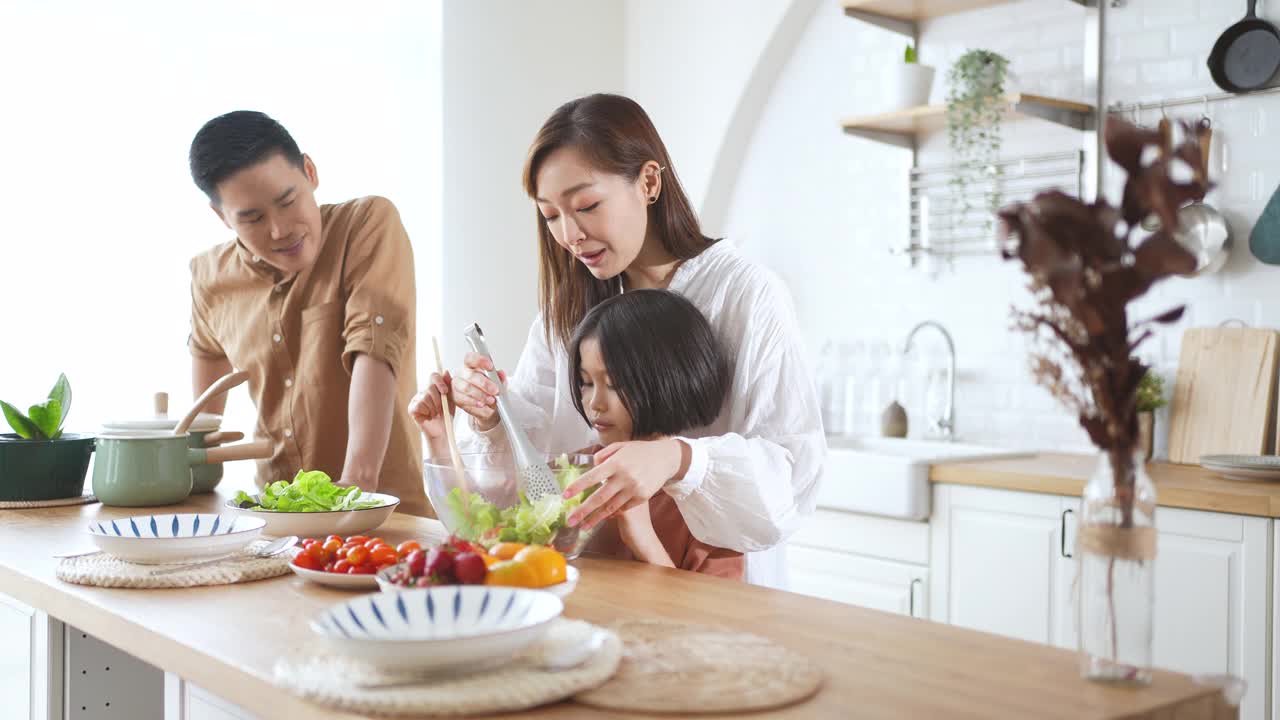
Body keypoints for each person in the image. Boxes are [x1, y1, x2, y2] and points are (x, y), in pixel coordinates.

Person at [422, 93, 825, 586]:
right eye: (550, 216)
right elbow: (536, 468)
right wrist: (489, 414)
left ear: (649, 182)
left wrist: (678, 458)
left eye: (587, 205)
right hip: (593, 579)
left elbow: (790, 474)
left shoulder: (745, 294)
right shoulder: (567, 308)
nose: (569, 234)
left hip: (714, 588)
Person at [186, 110, 428, 516]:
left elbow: (373, 349)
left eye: (287, 201)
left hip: (382, 518)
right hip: (273, 521)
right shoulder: (210, 277)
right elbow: (201, 427)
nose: (280, 230)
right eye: (253, 218)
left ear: (310, 173)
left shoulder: (366, 224)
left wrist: (356, 489)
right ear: (221, 216)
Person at [412, 289, 743, 579]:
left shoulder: (712, 502)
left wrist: (642, 536)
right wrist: (439, 437)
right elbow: (484, 530)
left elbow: (712, 625)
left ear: (671, 380)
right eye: (586, 382)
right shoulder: (573, 471)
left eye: (614, 384)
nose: (594, 402)